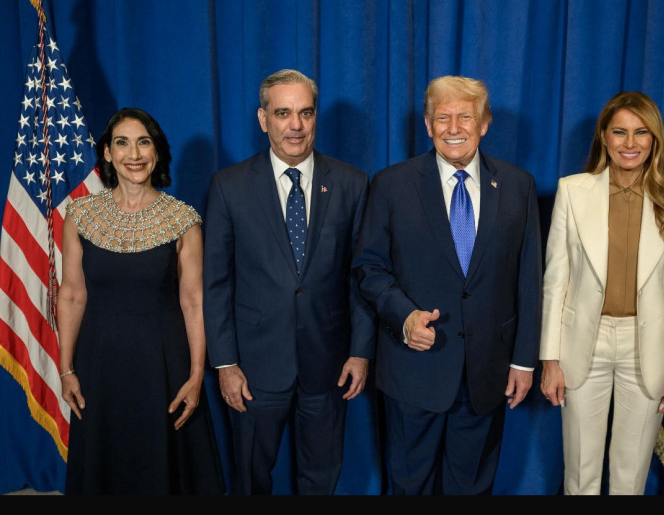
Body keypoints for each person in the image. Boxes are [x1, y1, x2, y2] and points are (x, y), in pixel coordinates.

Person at [352, 75, 542, 495]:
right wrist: (404, 317)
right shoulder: (391, 184)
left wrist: (524, 361)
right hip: (412, 370)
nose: (454, 128)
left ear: (484, 124)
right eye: (443, 117)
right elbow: (369, 267)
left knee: (472, 489)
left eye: (465, 117)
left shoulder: (518, 185)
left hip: (486, 374)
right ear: (427, 124)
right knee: (409, 487)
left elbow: (529, 280)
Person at [202, 68, 374, 495]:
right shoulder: (228, 187)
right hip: (254, 368)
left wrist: (360, 352)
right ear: (264, 119)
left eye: (305, 113)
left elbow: (362, 277)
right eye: (283, 113)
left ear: (315, 117)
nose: (295, 125)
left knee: (321, 478)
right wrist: (225, 364)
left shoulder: (352, 184)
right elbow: (217, 283)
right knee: (250, 478)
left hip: (328, 365)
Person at [539, 91, 664, 495]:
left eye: (641, 132)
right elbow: (555, 282)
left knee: (630, 478)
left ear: (655, 139)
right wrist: (549, 358)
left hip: (649, 347)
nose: (630, 143)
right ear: (604, 137)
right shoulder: (572, 191)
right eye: (619, 132)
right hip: (583, 343)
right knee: (580, 474)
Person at [57, 107, 225, 495]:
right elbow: (72, 294)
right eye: (122, 143)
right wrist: (65, 369)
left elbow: (194, 301)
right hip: (99, 367)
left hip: (164, 369)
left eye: (143, 142)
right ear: (107, 153)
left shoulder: (183, 219)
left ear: (157, 151)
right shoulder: (80, 215)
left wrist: (196, 375)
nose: (134, 154)